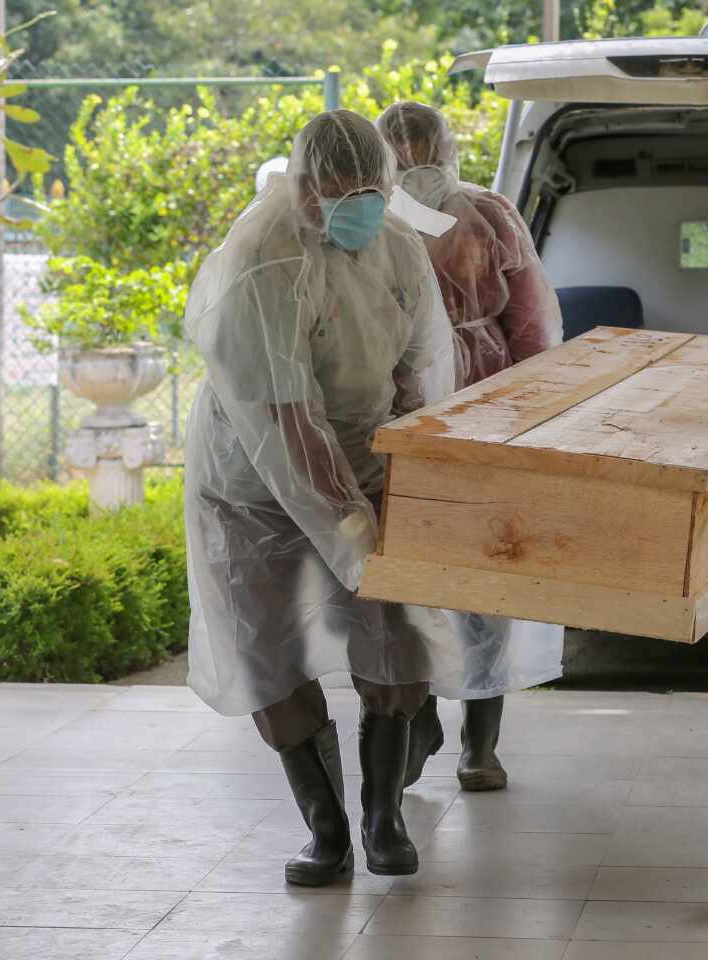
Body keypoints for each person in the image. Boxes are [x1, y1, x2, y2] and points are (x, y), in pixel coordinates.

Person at [184, 110, 523, 885]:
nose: (359, 205)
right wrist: (350, 529)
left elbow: (418, 371)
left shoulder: (398, 245)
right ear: (303, 188)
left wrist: (405, 478)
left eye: (373, 189)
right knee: (265, 646)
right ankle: (326, 827)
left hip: (360, 455)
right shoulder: (262, 267)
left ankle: (384, 819)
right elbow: (289, 429)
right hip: (252, 481)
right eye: (340, 191)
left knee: (394, 629)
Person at [375, 100, 565, 793]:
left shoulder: (375, 220)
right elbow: (535, 329)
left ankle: (428, 723)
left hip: (413, 419)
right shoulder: (487, 214)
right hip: (478, 414)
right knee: (479, 576)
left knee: (427, 577)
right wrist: (530, 417)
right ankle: (474, 747)